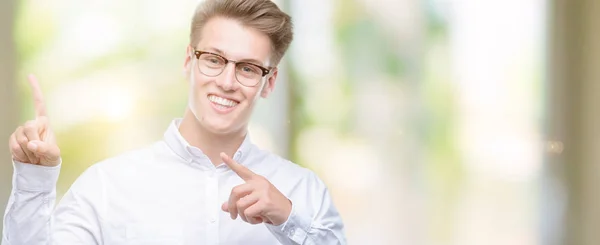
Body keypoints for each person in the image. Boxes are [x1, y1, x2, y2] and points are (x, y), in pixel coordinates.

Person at [1, 0, 346, 244]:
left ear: (269, 82)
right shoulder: (106, 187)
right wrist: (34, 181)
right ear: (188, 61)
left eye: (248, 68)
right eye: (214, 59)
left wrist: (289, 220)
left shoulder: (303, 191)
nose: (227, 81)